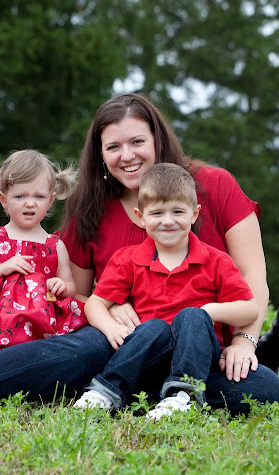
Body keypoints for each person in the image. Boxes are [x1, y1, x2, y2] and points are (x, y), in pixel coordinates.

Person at [60, 93, 279, 415]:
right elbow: (77, 295)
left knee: (263, 386)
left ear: (194, 214)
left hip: (204, 352)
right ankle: (118, 390)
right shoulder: (101, 221)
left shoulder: (214, 201)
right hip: (138, 345)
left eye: (137, 141)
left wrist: (242, 341)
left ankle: (177, 394)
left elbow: (252, 284)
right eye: (113, 147)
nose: (127, 155)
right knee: (143, 333)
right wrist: (112, 310)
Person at [73, 163, 260, 419]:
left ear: (194, 214)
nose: (168, 221)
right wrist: (111, 327)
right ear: (141, 217)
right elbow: (95, 303)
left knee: (265, 385)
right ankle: (106, 391)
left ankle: (182, 396)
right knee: (155, 328)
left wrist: (208, 312)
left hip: (199, 358)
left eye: (178, 211)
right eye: (157, 213)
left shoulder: (216, 261)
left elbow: (250, 309)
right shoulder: (128, 259)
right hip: (149, 357)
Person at [0, 150, 88, 364]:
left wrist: (61, 286)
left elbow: (71, 287)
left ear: (51, 200)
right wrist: (1, 268)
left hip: (40, 316)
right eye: (20, 196)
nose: (30, 203)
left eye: (39, 196)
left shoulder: (55, 245)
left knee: (74, 335)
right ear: (3, 200)